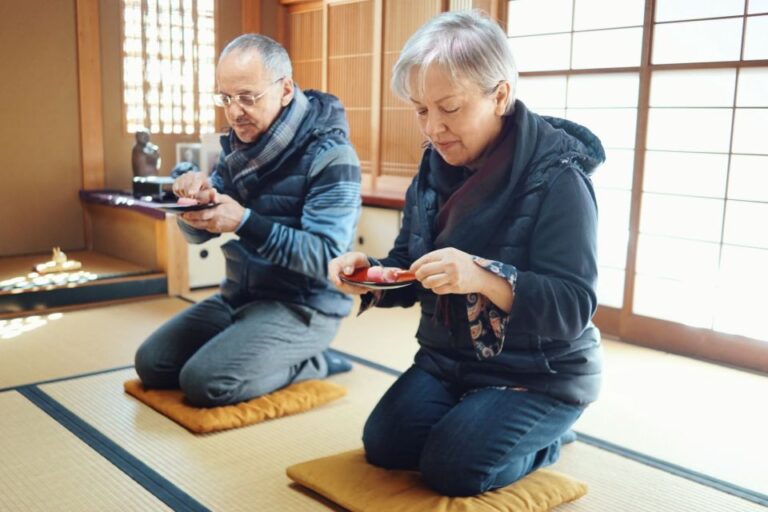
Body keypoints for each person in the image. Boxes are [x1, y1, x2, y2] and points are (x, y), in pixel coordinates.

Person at [328, 10, 604, 497]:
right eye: (421, 110)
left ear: (500, 96)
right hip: (448, 361)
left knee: (452, 469)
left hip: (536, 374)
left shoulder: (560, 178)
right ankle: (479, 418)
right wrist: (372, 274)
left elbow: (573, 305)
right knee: (385, 445)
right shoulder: (433, 167)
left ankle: (549, 440)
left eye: (449, 108)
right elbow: (410, 262)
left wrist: (481, 276)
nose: (434, 128)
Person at [135, 34, 361, 407]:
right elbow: (199, 235)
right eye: (225, 98)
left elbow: (327, 258)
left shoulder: (332, 154)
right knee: (152, 363)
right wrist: (193, 205)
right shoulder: (239, 147)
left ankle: (314, 362)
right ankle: (254, 347)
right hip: (240, 295)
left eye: (247, 97)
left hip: (304, 307)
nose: (235, 111)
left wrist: (244, 222)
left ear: (285, 89)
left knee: (204, 383)